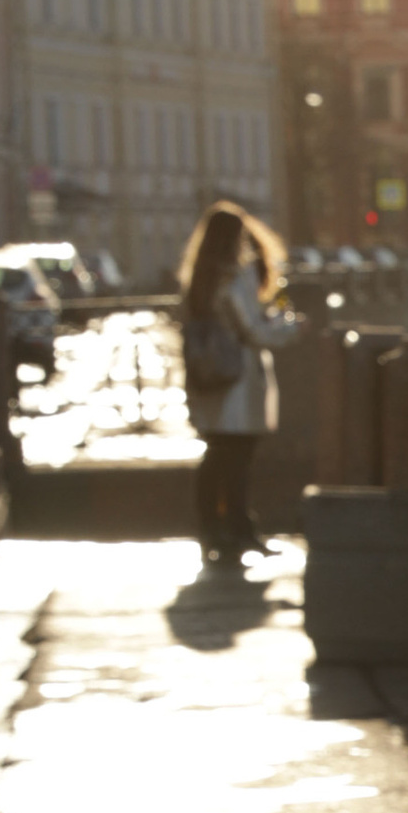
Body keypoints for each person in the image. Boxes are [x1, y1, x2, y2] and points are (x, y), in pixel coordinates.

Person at [177, 202, 298, 567]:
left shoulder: (198, 279)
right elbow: (253, 331)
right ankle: (237, 531)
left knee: (215, 459)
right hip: (238, 384)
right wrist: (291, 328)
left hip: (208, 380)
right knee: (237, 461)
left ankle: (214, 531)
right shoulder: (234, 277)